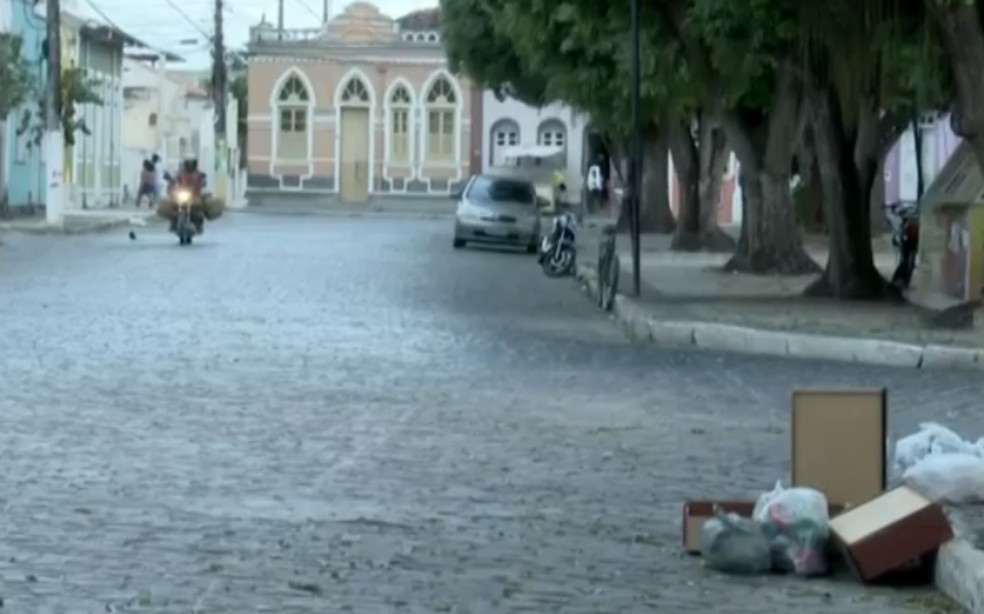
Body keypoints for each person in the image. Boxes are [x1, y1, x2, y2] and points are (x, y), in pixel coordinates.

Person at [170, 157, 207, 233]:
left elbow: (203, 182)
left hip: (195, 196)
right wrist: (171, 181)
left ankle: (199, 225)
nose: (190, 165)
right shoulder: (180, 173)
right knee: (173, 207)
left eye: (191, 163)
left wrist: (203, 182)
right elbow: (174, 180)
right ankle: (173, 224)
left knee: (199, 210)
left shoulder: (198, 174)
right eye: (188, 163)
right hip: (183, 195)